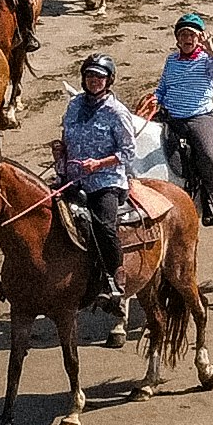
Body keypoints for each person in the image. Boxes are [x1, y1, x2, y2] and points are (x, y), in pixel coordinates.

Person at [56, 53, 138, 305]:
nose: (94, 80)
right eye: (90, 75)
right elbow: (67, 133)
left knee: (103, 225)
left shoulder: (117, 112)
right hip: (72, 177)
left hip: (106, 181)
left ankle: (114, 278)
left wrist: (99, 164)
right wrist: (60, 150)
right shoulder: (74, 105)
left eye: (99, 76)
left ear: (109, 80)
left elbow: (128, 151)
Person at [150, 13, 213, 220]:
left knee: (207, 155)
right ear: (177, 39)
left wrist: (211, 50)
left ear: (199, 38)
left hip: (199, 117)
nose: (187, 39)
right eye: (183, 34)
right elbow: (164, 86)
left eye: (192, 35)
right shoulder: (171, 60)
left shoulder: (207, 60)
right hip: (171, 116)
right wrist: (155, 98)